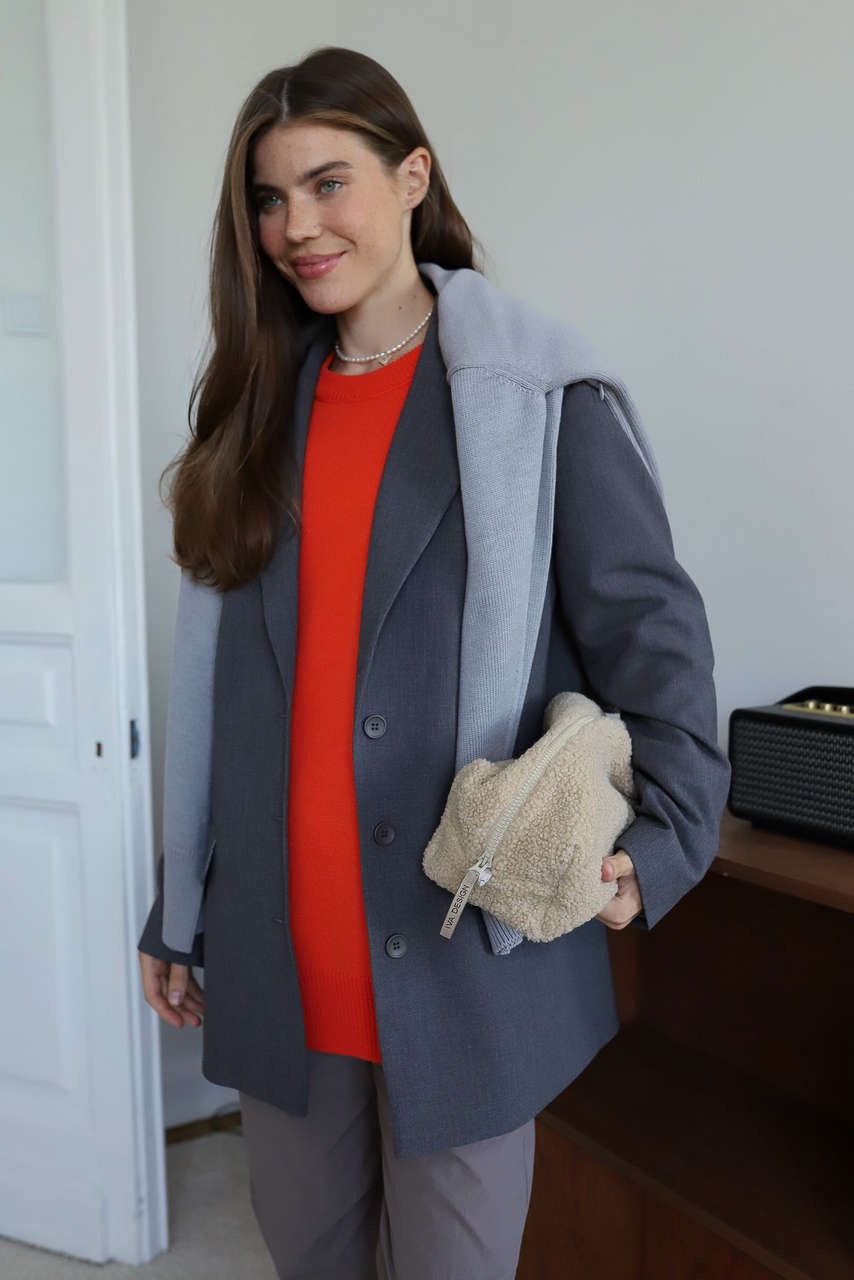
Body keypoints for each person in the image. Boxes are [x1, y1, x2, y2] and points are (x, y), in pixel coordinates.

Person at [137, 45, 731, 1280]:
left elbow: (649, 626)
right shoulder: (251, 417)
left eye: (328, 183)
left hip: (460, 953)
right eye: (268, 198)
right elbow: (227, 705)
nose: (296, 227)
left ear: (412, 177)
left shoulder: (535, 397)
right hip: (281, 950)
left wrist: (666, 834)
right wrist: (178, 907)